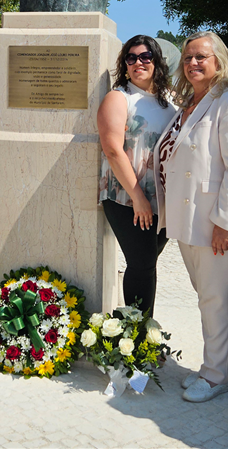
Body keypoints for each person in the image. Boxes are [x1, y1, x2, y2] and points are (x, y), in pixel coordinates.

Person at [155, 32, 228, 403]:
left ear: (219, 62)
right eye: (187, 58)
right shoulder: (189, 103)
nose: (193, 63)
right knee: (207, 296)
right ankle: (218, 366)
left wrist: (226, 222)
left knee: (215, 299)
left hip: (213, 221)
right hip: (187, 219)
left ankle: (216, 376)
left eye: (201, 57)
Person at [97, 35, 177, 316]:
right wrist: (139, 198)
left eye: (145, 57)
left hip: (164, 198)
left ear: (157, 62)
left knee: (145, 264)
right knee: (143, 264)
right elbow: (113, 150)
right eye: (131, 58)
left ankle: (131, 332)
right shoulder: (119, 98)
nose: (138, 63)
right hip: (127, 196)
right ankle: (138, 338)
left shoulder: (169, 102)